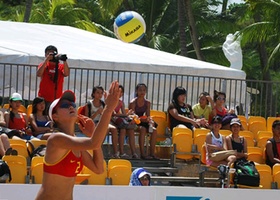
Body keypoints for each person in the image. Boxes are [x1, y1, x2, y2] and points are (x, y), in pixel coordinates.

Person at [35, 80, 120, 200]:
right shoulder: (56, 139)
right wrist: (108, 109)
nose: (71, 106)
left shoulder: (74, 143)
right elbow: (93, 143)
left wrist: (92, 134)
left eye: (73, 105)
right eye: (64, 105)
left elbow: (99, 169)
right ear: (55, 116)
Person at [85, 85, 119, 158]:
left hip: (101, 122)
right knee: (105, 129)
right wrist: (97, 112)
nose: (100, 95)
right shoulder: (89, 104)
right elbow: (87, 119)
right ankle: (98, 147)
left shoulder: (103, 104)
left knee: (114, 129)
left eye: (101, 93)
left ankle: (116, 152)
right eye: (97, 92)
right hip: (93, 122)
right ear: (93, 94)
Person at [129, 83, 158, 160]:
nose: (142, 92)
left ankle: (152, 153)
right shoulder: (133, 102)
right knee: (143, 129)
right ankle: (143, 154)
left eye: (144, 90)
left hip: (143, 120)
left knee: (154, 131)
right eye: (140, 90)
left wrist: (150, 120)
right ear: (136, 91)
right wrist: (141, 119)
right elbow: (132, 115)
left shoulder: (147, 103)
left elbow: (148, 114)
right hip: (135, 121)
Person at [112, 85, 138, 159]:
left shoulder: (121, 103)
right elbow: (113, 113)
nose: (120, 94)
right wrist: (126, 114)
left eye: (121, 92)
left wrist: (128, 117)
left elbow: (123, 114)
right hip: (111, 120)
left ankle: (131, 152)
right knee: (121, 129)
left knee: (128, 130)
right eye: (118, 92)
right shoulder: (111, 101)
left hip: (118, 121)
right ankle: (119, 152)